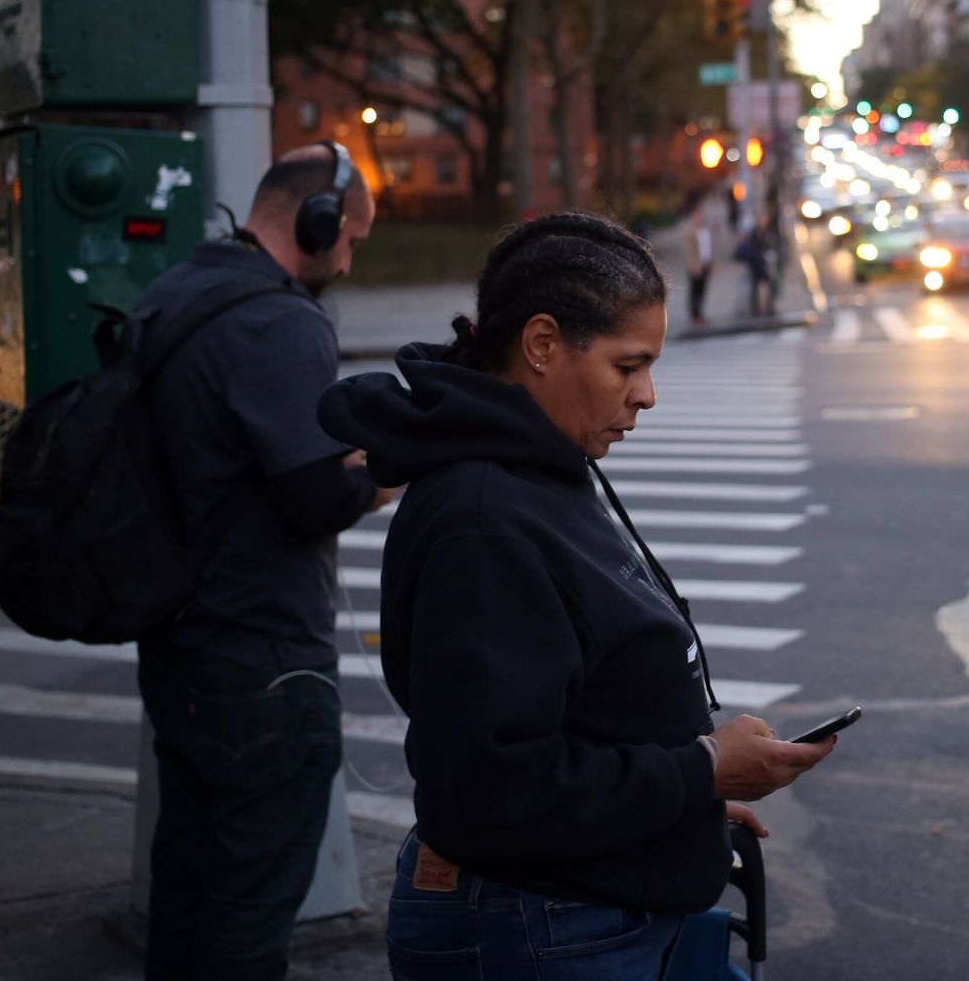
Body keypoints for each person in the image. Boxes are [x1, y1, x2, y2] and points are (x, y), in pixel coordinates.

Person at [318, 212, 834, 980]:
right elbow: (489, 788)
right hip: (540, 927)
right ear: (543, 345)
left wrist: (681, 805)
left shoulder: (536, 468)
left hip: (574, 909)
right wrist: (697, 771)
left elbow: (574, 710)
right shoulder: (485, 520)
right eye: (628, 367)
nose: (647, 396)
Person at [135, 142, 397, 980]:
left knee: (186, 884)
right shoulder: (280, 321)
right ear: (319, 223)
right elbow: (315, 498)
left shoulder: (179, 290)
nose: (349, 258)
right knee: (251, 911)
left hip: (180, 644)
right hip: (267, 659)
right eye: (351, 237)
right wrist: (390, 470)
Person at [679, 188, 715, 327]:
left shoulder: (703, 229)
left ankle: (700, 314)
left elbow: (707, 248)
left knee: (702, 290)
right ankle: (694, 315)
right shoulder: (689, 230)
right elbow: (689, 250)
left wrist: (711, 262)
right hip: (696, 265)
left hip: (704, 263)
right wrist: (694, 265)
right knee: (695, 291)